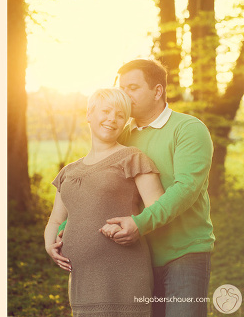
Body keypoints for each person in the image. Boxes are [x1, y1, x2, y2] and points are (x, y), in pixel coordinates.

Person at [55, 59, 215, 317]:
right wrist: (65, 229)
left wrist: (140, 223)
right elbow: (100, 189)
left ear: (158, 91)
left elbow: (185, 188)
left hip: (183, 253)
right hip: (137, 258)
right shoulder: (124, 136)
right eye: (121, 88)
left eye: (132, 87)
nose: (124, 95)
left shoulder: (188, 129)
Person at [44, 88, 165, 317]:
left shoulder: (132, 158)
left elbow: (159, 207)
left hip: (125, 277)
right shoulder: (68, 172)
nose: (112, 119)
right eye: (106, 111)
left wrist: (135, 224)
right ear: (89, 113)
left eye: (120, 115)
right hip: (83, 281)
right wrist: (50, 245)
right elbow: (56, 220)